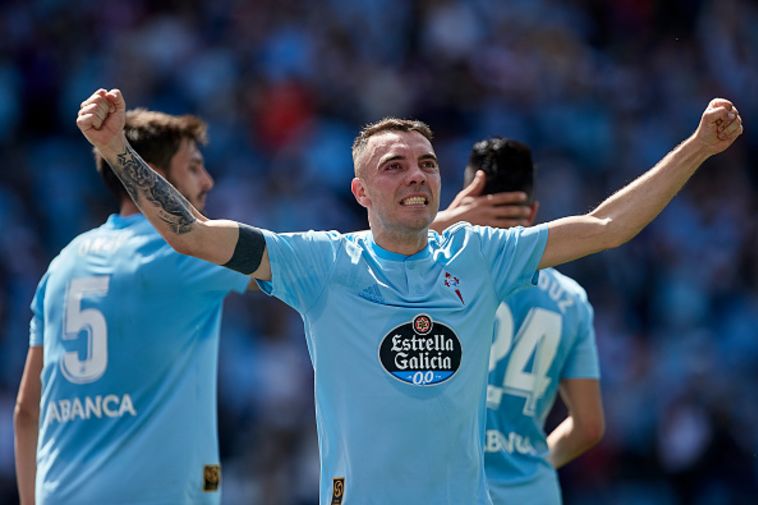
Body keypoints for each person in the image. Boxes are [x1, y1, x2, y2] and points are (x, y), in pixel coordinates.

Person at [76, 88, 742, 505]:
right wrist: (116, 148)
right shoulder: (321, 263)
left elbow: (606, 225)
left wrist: (696, 148)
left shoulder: (481, 255)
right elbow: (192, 233)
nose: (416, 175)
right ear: (360, 191)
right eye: (393, 166)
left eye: (426, 163)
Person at [14, 109, 253, 505]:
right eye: (194, 168)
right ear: (152, 178)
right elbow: (285, 268)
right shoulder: (189, 253)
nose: (207, 181)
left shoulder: (61, 265)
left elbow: (27, 411)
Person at [446, 138, 604, 504]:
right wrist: (533, 465)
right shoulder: (571, 299)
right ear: (531, 213)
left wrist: (443, 225)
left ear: (463, 202)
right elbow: (589, 426)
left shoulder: (432, 278)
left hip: (449, 490)